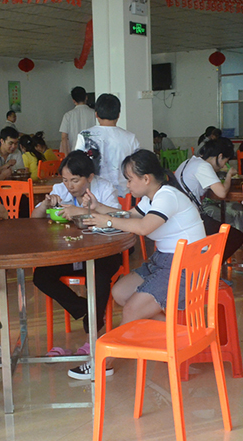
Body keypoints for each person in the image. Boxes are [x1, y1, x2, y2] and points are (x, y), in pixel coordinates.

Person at [82, 150, 205, 377]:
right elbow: (129, 216)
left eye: (130, 179)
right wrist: (99, 207)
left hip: (185, 266)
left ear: (146, 178)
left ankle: (104, 362)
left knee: (132, 308)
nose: (127, 185)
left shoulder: (167, 196)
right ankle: (180, 334)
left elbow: (143, 227)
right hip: (166, 260)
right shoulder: (152, 198)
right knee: (120, 292)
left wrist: (107, 220)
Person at [31, 151, 121, 374]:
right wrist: (45, 204)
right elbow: (35, 218)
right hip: (72, 252)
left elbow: (119, 218)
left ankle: (93, 337)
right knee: (41, 275)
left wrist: (82, 210)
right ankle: (83, 309)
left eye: (75, 180)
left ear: (89, 177)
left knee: (97, 278)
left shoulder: (104, 188)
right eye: (65, 180)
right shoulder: (60, 190)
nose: (69, 186)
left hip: (105, 251)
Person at [174, 138, 243, 262]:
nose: (224, 166)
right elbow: (222, 193)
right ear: (220, 156)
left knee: (220, 229)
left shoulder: (189, 162)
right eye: (225, 161)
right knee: (236, 237)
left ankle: (207, 264)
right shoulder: (203, 166)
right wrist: (229, 175)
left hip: (178, 216)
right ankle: (209, 267)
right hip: (189, 220)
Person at [75, 93, 140, 198]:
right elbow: (138, 168)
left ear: (96, 114)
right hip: (124, 196)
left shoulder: (85, 135)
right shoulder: (131, 138)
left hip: (92, 196)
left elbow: (76, 166)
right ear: (118, 115)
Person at [59, 86, 94, 155]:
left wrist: (66, 156)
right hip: (91, 153)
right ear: (86, 97)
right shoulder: (94, 113)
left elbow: (64, 138)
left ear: (73, 100)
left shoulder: (68, 115)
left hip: (74, 154)